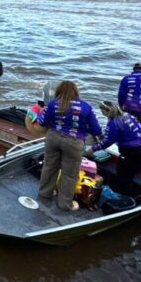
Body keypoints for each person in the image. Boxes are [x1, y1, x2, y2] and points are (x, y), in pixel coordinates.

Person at [26, 80, 102, 211]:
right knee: (69, 174)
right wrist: (83, 128)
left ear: (59, 91)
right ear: (76, 91)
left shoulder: (53, 104)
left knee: (49, 167)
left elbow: (43, 123)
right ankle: (65, 204)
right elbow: (97, 130)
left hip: (53, 138)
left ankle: (45, 193)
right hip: (74, 142)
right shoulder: (86, 107)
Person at [86, 101, 141, 195]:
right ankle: (122, 191)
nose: (103, 115)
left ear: (108, 110)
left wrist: (92, 149)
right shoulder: (128, 115)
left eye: (103, 112)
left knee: (124, 177)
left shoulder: (113, 123)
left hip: (136, 154)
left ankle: (123, 196)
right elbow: (140, 131)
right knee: (123, 170)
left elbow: (107, 141)